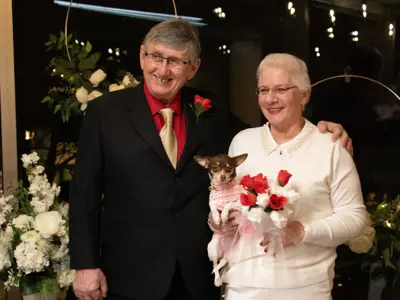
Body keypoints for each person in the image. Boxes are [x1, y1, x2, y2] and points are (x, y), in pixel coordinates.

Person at [69, 19, 353, 300]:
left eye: (176, 61)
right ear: (142, 56)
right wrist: (84, 264)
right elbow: (84, 194)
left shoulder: (210, 109)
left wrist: (320, 131)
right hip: (129, 273)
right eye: (156, 57)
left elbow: (270, 133)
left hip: (196, 274)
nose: (163, 70)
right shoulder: (104, 113)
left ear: (193, 68)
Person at [221, 53, 367, 300]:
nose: (270, 99)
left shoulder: (330, 147)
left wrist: (302, 231)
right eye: (263, 90)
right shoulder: (241, 141)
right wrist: (222, 220)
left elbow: (355, 218)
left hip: (306, 288)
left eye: (281, 89)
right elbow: (228, 205)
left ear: (305, 94)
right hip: (243, 286)